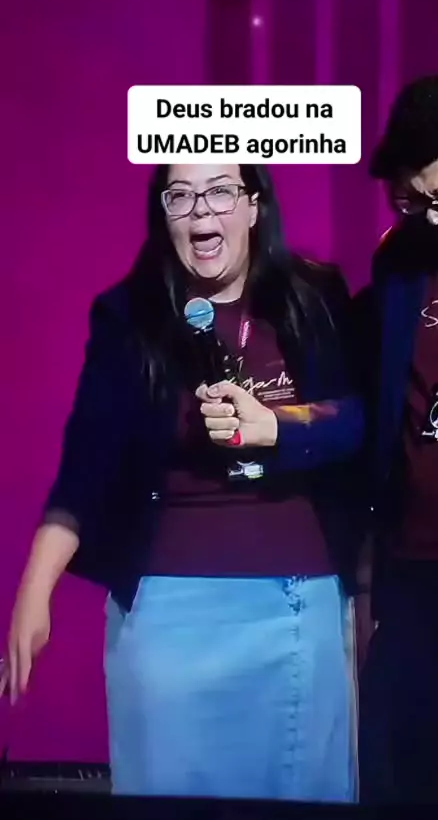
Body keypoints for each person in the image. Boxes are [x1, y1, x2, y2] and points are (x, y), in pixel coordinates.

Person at [0, 163, 364, 802]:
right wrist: (35, 589)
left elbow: (357, 422)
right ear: (162, 213)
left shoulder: (314, 296)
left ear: (254, 206)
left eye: (221, 191)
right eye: (181, 196)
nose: (201, 213)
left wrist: (277, 428)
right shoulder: (129, 316)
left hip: (294, 601)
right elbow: (86, 465)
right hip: (167, 612)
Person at [357, 70, 438, 804]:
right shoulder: (399, 259)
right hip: (415, 568)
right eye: (417, 201)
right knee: (409, 775)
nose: (436, 217)